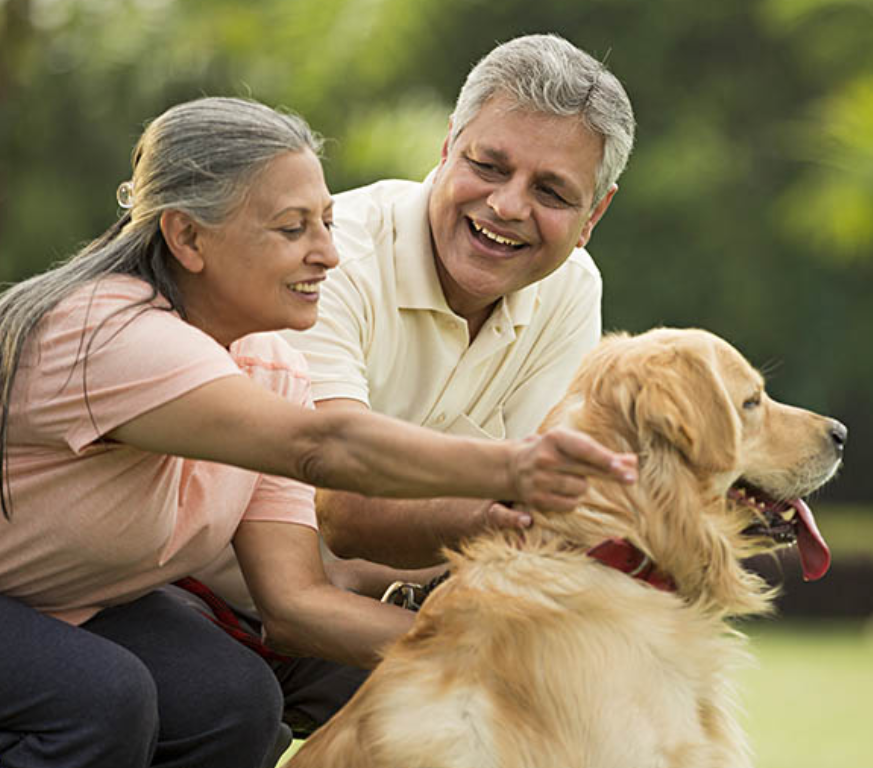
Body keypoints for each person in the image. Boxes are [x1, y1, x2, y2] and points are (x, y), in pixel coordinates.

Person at [0, 95, 636, 768]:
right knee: (101, 697)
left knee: (228, 700)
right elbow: (322, 448)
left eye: (327, 222)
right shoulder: (112, 333)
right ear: (187, 238)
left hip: (51, 604)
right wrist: (513, 471)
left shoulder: (270, 363)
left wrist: (506, 662)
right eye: (293, 229)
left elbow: (296, 603)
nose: (328, 254)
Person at [180, 34, 638, 737]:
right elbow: (347, 512)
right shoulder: (331, 258)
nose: (509, 206)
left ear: (593, 218)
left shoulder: (572, 287)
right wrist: (526, 510)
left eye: (551, 191)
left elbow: (545, 510)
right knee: (234, 700)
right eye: (489, 165)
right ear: (448, 146)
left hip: (376, 608)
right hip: (201, 597)